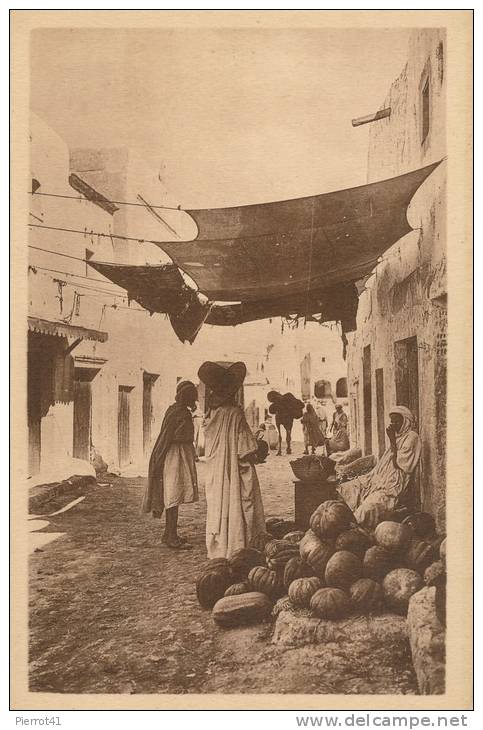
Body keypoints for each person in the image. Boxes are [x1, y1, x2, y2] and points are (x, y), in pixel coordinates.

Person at [198, 361, 266, 559]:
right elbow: (245, 450)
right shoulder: (235, 414)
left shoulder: (211, 415)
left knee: (219, 505)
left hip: (215, 471)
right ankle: (237, 546)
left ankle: (220, 548)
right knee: (239, 503)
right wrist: (257, 448)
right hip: (234, 471)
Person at [337, 406, 421, 528]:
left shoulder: (412, 437)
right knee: (346, 488)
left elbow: (399, 464)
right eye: (392, 421)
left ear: (406, 421)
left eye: (397, 421)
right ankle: (341, 518)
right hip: (379, 478)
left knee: (367, 508)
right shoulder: (399, 436)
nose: (393, 424)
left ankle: (353, 526)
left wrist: (392, 440)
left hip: (393, 483)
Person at [142, 380, 199, 549]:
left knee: (175, 495)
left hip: (181, 454)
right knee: (173, 495)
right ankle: (171, 536)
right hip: (175, 455)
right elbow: (169, 435)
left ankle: (169, 534)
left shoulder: (177, 410)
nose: (193, 401)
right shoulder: (178, 412)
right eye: (191, 397)